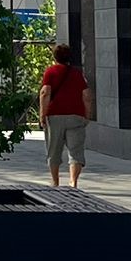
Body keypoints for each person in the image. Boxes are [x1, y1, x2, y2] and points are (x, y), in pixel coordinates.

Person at [40, 42, 93, 188]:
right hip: (76, 116)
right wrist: (87, 114)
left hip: (55, 116)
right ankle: (73, 182)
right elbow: (87, 95)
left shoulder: (50, 72)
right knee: (76, 151)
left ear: (55, 57)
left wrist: (42, 115)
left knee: (53, 150)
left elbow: (45, 93)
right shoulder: (77, 74)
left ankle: (55, 181)